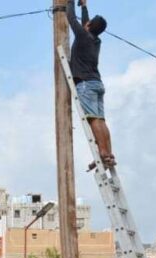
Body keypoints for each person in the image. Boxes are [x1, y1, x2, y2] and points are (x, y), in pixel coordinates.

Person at [66, 0, 116, 170]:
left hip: (85, 84)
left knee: (94, 119)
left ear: (88, 25)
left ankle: (102, 152)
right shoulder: (95, 40)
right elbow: (83, 23)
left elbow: (71, 18)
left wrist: (70, 2)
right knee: (101, 120)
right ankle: (108, 153)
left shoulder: (82, 36)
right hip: (97, 83)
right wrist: (84, 6)